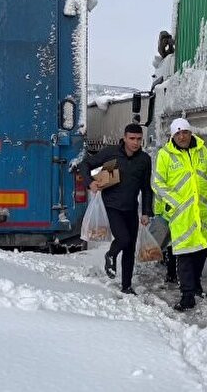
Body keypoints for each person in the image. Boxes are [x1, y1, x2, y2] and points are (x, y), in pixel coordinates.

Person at [152, 118, 207, 311]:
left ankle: (196, 285)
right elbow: (158, 184)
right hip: (181, 215)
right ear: (172, 136)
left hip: (202, 212)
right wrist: (175, 204)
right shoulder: (165, 155)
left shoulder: (201, 150)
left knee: (201, 251)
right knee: (184, 254)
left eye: (185, 132)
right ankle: (187, 296)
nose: (182, 136)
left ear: (190, 133)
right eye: (178, 133)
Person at [79, 123, 153, 295]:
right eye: (132, 139)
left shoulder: (144, 160)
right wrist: (90, 183)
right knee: (124, 239)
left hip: (131, 208)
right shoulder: (111, 152)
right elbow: (85, 165)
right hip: (112, 206)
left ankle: (126, 286)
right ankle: (110, 255)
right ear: (125, 137)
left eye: (139, 139)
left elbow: (146, 188)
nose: (135, 143)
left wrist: (146, 212)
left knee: (130, 248)